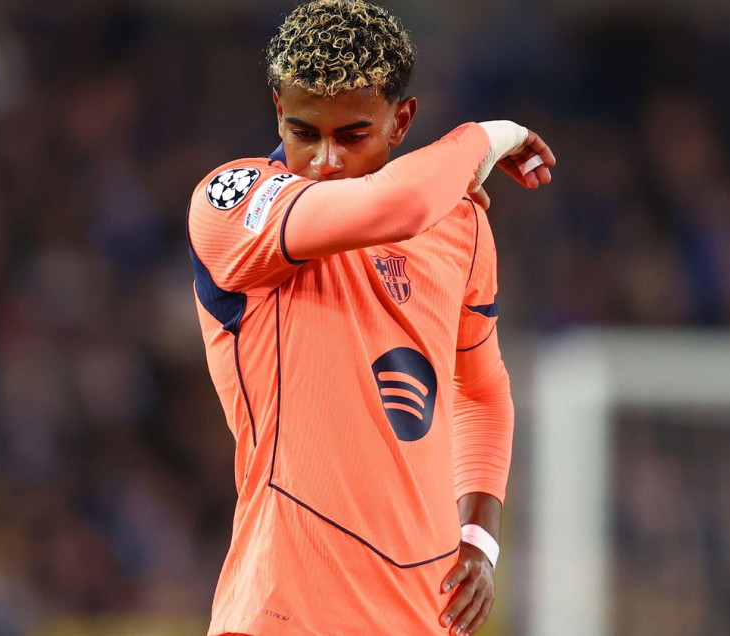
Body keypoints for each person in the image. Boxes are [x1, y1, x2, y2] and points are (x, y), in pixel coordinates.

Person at [186, 1, 555, 634]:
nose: (325, 159)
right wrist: (489, 136)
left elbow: (483, 392)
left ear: (401, 121)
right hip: (284, 610)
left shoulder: (461, 228)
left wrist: (480, 538)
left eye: (352, 135)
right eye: (304, 132)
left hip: (421, 616)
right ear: (278, 110)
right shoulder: (234, 203)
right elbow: (401, 203)